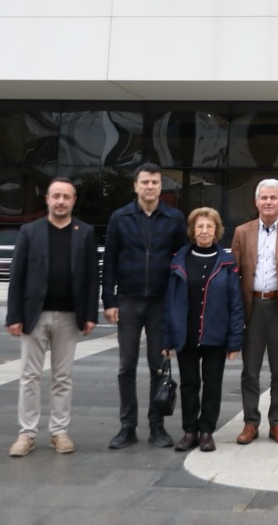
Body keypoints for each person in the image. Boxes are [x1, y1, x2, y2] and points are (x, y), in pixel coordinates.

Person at [5, 178, 99, 457]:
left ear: (74, 201)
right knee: (29, 376)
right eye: (56, 196)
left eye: (66, 197)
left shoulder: (85, 232)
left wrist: (90, 314)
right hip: (34, 316)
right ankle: (27, 434)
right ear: (47, 199)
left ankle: (59, 432)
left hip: (70, 317)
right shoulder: (30, 231)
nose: (60, 201)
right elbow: (17, 275)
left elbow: (92, 276)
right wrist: (14, 315)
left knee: (63, 377)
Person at [101, 163, 188, 450]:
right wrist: (109, 300)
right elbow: (109, 260)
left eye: (155, 183)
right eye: (145, 182)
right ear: (135, 186)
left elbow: (180, 262)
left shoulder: (174, 218)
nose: (150, 187)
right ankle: (127, 427)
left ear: (161, 187)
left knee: (158, 366)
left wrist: (177, 303)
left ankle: (156, 426)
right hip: (128, 299)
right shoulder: (120, 217)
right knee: (126, 365)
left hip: (161, 303)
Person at [231, 178, 278, 445]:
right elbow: (233, 276)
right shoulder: (242, 232)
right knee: (250, 370)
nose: (268, 202)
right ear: (256, 202)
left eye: (273, 197)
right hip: (251, 308)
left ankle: (277, 423)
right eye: (263, 197)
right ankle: (250, 422)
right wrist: (236, 314)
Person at [163, 207, 243, 453]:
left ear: (217, 231)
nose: (205, 231)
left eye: (209, 226)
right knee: (189, 384)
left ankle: (206, 430)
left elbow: (236, 303)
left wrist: (234, 341)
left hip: (215, 335)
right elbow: (169, 302)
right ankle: (190, 431)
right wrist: (167, 338)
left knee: (212, 384)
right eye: (200, 226)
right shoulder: (179, 261)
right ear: (192, 230)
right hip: (185, 335)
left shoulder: (226, 263)